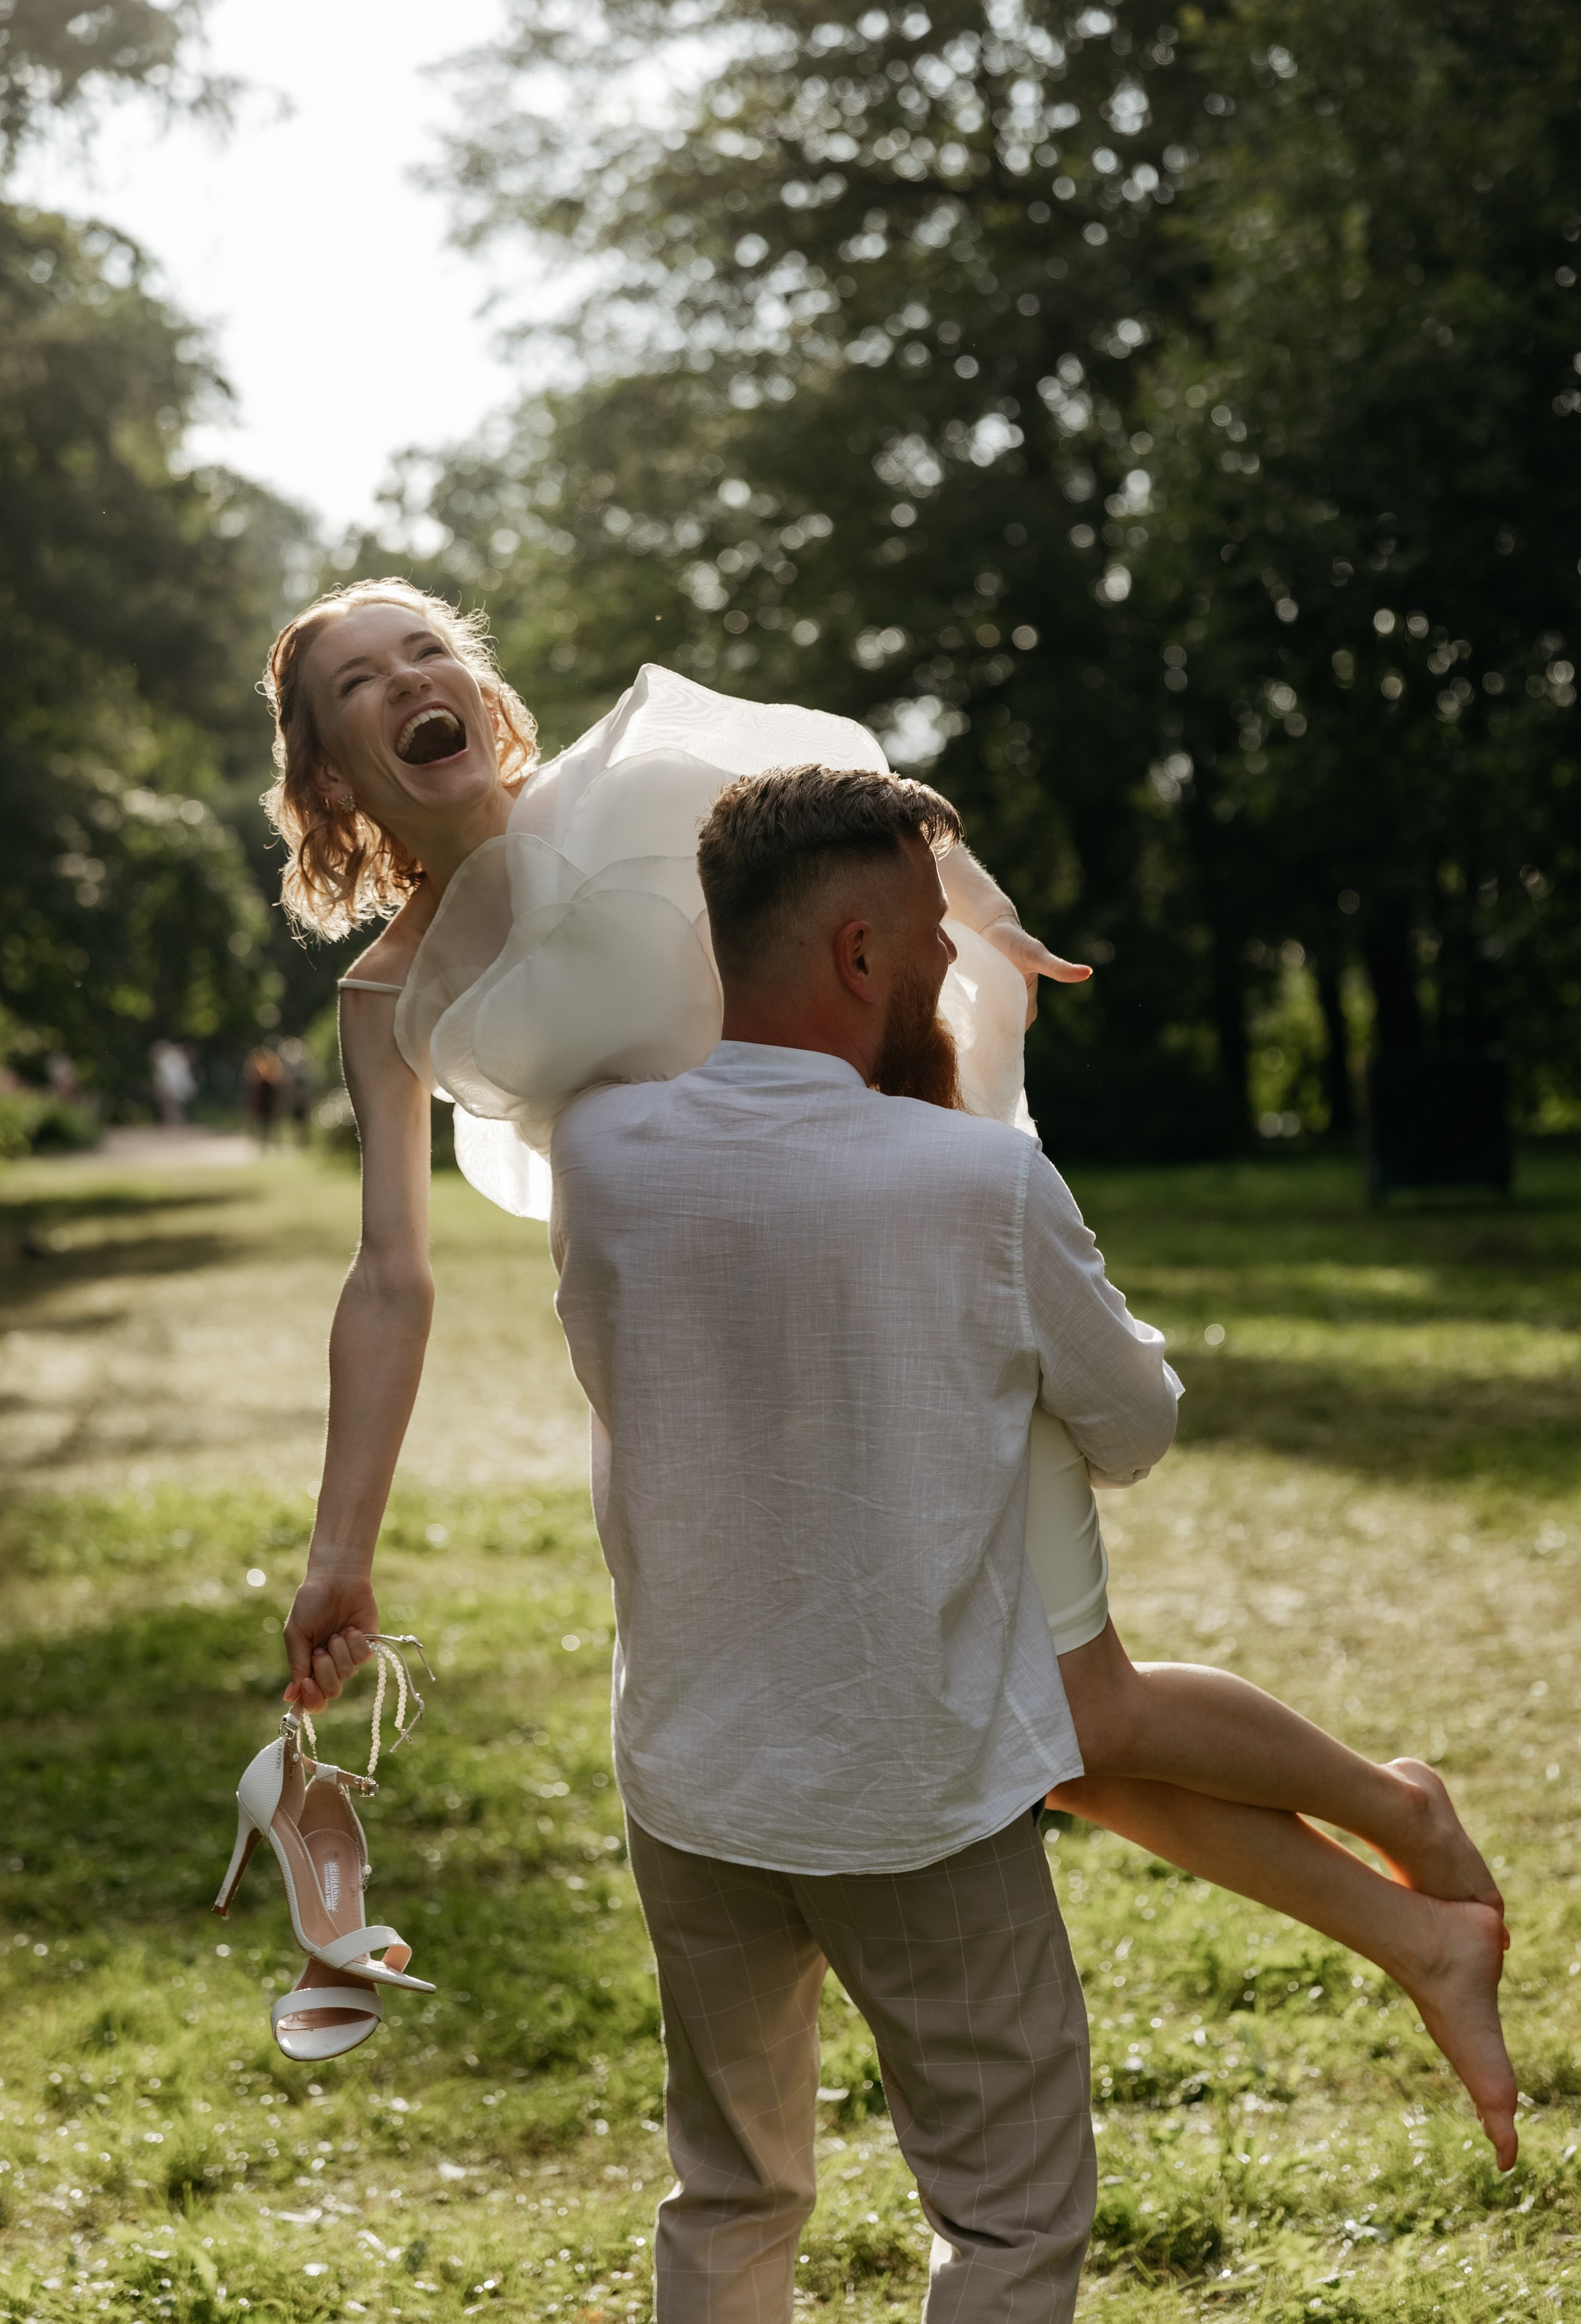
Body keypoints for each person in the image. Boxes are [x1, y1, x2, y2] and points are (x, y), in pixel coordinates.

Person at [260, 580, 1515, 2186]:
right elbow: (390, 1276)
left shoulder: (636, 788)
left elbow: (855, 800)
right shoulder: (390, 997)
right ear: (327, 771)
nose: (407, 680)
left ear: (477, 685)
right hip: (741, 1357)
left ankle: (1399, 1822)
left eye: (428, 648)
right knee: (1013, 1734)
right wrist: (339, 1554)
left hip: (910, 1262)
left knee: (1072, 1708)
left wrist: (980, 912)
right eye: (359, 681)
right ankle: (1417, 1929)